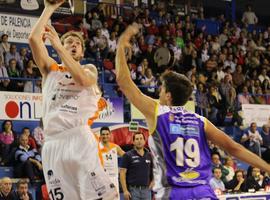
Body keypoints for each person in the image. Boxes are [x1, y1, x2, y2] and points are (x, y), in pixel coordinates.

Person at [115, 23, 270, 200]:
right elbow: (234, 148)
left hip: (173, 193)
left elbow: (123, 80)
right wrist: (267, 167)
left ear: (169, 96)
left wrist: (121, 45)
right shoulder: (200, 121)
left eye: (162, 89)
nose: (159, 92)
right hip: (203, 192)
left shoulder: (157, 112)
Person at [28, 0, 117, 199]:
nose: (73, 45)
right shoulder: (50, 69)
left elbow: (84, 80)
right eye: (69, 42)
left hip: (79, 138)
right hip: (52, 144)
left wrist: (60, 47)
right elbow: (33, 40)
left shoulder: (89, 69)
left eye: (77, 43)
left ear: (83, 52)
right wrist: (49, 8)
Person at [120, 132, 153, 200]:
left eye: (141, 138)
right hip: (133, 191)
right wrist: (125, 190)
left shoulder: (149, 155)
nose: (139, 141)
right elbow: (122, 173)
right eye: (137, 139)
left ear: (144, 141)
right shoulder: (128, 155)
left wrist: (154, 181)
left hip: (147, 191)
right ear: (133, 142)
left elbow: (155, 170)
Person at [98, 126, 125, 199]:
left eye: (107, 134)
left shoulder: (115, 147)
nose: (105, 136)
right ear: (100, 136)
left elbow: (126, 157)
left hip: (113, 179)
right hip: (102, 179)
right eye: (103, 134)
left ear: (110, 135)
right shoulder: (96, 147)